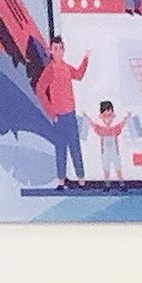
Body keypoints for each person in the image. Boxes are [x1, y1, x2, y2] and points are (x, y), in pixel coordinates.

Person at [34, 35, 89, 189]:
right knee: (61, 149)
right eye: (55, 48)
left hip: (70, 114)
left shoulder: (66, 68)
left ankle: (81, 179)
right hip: (58, 116)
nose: (58, 51)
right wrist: (51, 113)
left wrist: (86, 59)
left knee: (75, 147)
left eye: (60, 48)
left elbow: (79, 75)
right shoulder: (50, 70)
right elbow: (40, 90)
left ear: (63, 50)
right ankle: (61, 181)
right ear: (51, 51)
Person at [82, 100, 133, 191]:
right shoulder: (100, 124)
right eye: (105, 113)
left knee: (117, 167)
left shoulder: (115, 123)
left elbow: (121, 124)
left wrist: (127, 117)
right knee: (106, 167)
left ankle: (121, 184)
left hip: (114, 150)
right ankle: (107, 184)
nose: (108, 116)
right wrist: (86, 117)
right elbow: (93, 124)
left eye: (109, 112)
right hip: (105, 150)